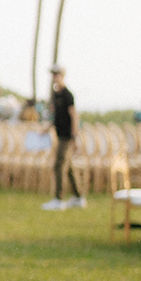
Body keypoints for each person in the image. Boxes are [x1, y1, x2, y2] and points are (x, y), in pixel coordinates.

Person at [44, 66, 84, 209]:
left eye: (57, 74)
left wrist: (74, 136)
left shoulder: (67, 95)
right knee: (69, 167)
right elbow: (56, 116)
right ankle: (78, 197)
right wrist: (47, 128)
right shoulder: (56, 95)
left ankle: (58, 199)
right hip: (59, 134)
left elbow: (74, 116)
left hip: (67, 136)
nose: (55, 77)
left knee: (59, 165)